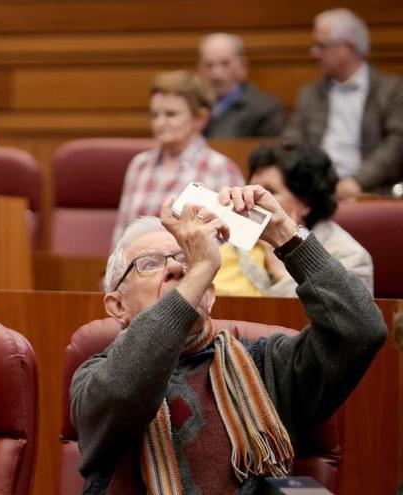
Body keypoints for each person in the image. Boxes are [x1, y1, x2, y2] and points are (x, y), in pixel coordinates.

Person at [71, 187, 386, 494]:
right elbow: (127, 389)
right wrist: (200, 268)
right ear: (117, 306)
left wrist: (285, 234)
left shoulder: (267, 365)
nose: (178, 268)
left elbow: (361, 329)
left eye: (187, 258)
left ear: (210, 294)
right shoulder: (94, 378)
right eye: (150, 264)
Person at [215, 144, 373, 296]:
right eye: (251, 189)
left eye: (270, 191)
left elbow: (343, 320)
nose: (253, 201)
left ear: (306, 203)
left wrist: (280, 269)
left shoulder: (349, 257)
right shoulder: (238, 242)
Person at [110, 70, 245, 247]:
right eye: (155, 115)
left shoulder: (221, 168)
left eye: (170, 114)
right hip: (139, 269)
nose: (159, 123)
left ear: (200, 118)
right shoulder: (139, 165)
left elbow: (232, 241)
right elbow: (122, 234)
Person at [283, 8, 403, 200]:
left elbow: (397, 143)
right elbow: (291, 142)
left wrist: (357, 181)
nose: (313, 53)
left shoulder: (392, 90)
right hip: (317, 192)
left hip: (373, 191)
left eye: (321, 45)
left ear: (347, 47)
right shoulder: (310, 94)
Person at [198, 33, 286, 138]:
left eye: (225, 64)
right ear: (199, 68)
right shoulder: (192, 106)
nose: (216, 74)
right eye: (209, 65)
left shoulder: (266, 109)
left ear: (242, 65)